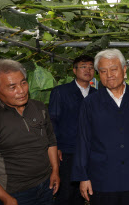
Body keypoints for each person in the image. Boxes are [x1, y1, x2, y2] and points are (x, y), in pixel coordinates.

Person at [72, 49, 129, 205]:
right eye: (103, 71)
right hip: (102, 176)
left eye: (114, 69)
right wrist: (83, 176)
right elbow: (83, 140)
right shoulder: (90, 102)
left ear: (124, 69)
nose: (109, 74)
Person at [0, 59, 59, 205]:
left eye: (23, 82)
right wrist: (6, 198)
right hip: (14, 193)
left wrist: (55, 170)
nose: (21, 90)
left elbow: (51, 141)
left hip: (45, 185)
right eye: (12, 87)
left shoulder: (39, 107)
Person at [49, 55, 97, 205]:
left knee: (87, 192)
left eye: (91, 67)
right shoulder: (61, 92)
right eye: (83, 66)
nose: (88, 70)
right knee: (67, 193)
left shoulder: (97, 94)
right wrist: (56, 146)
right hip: (68, 150)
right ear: (74, 70)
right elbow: (52, 121)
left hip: (92, 151)